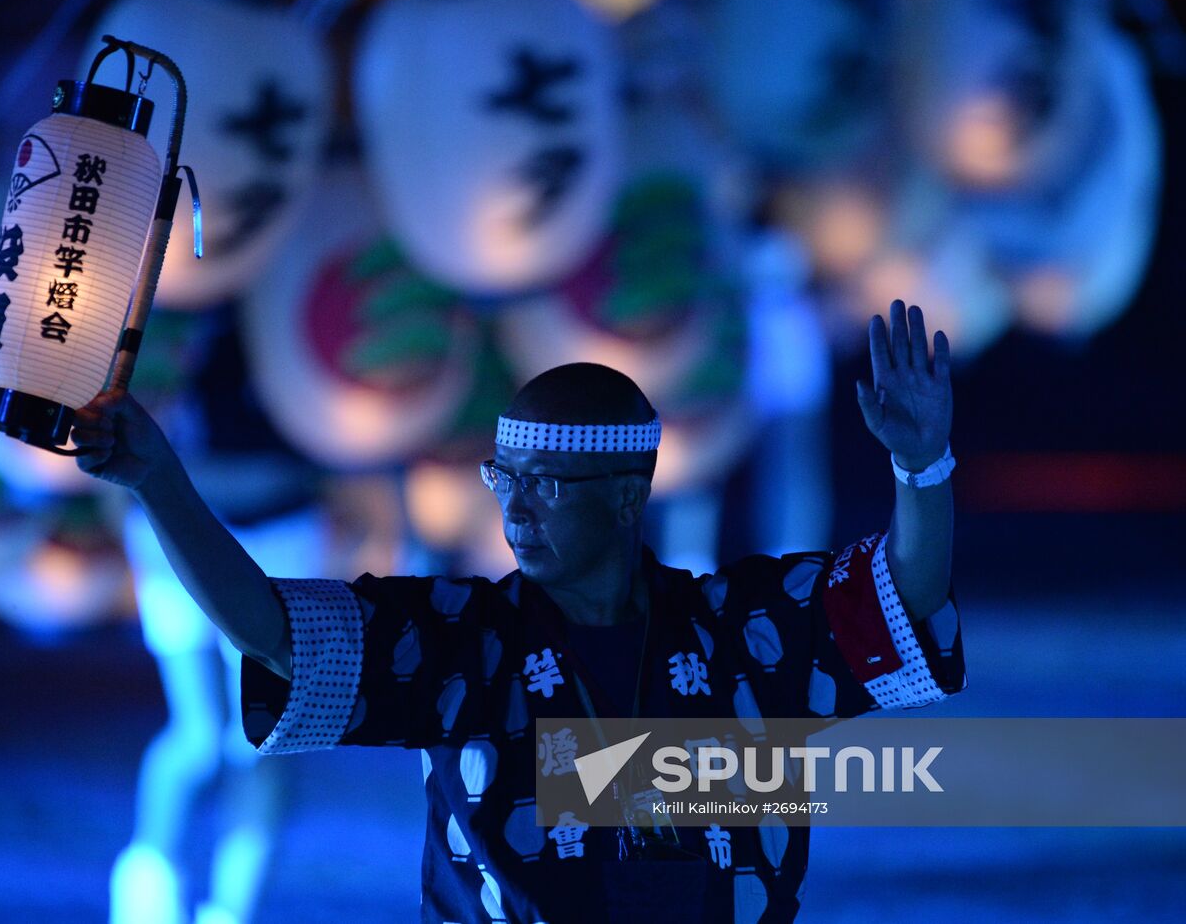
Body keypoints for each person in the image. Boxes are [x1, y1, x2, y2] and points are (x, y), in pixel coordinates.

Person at [74, 300, 966, 923]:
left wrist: (921, 469)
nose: (516, 508)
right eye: (508, 480)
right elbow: (272, 629)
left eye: (548, 485)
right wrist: (160, 482)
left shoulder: (740, 630)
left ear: (626, 497)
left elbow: (901, 600)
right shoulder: (466, 642)